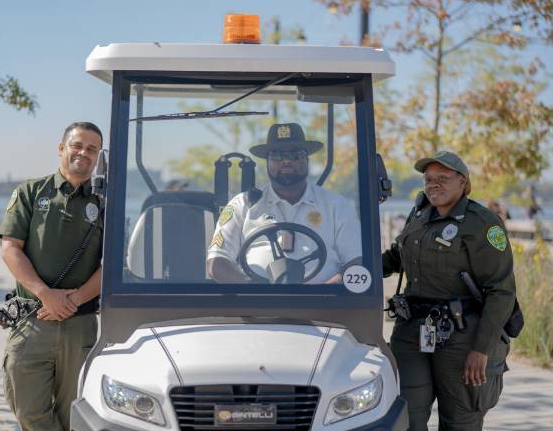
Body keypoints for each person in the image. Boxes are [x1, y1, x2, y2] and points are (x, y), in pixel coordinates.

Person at [383, 151, 516, 431]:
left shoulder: (482, 223)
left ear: (463, 182)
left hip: (461, 336)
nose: (433, 185)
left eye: (442, 179)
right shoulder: (419, 214)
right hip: (411, 333)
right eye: (429, 179)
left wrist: (481, 349)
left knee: (461, 421)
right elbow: (396, 257)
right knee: (403, 418)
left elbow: (501, 291)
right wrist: (353, 269)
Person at [0, 122, 104, 431]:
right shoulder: (30, 192)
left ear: (97, 157)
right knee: (28, 411)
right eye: (77, 145)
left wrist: (71, 300)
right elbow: (10, 250)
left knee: (75, 413)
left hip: (80, 325)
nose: (83, 153)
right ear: (61, 148)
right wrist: (46, 294)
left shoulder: (105, 203)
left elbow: (110, 265)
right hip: (33, 321)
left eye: (92, 149)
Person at [207, 122, 361, 283]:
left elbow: (356, 263)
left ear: (307, 160)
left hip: (323, 304)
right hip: (255, 305)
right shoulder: (242, 205)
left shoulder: (336, 206)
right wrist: (255, 294)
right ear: (267, 161)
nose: (286, 161)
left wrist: (322, 295)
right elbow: (216, 264)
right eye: (277, 155)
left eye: (295, 155)